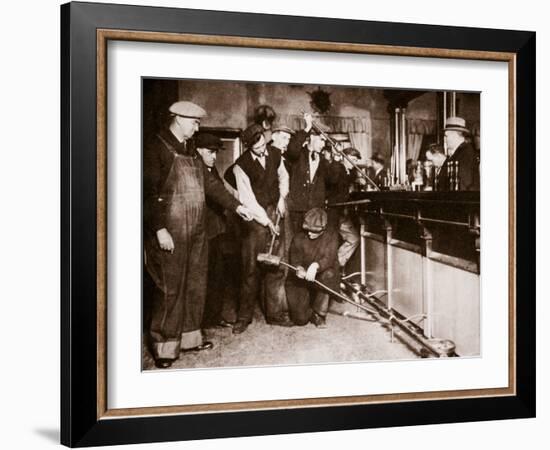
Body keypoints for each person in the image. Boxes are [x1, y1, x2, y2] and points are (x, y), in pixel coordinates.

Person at [143, 101, 252, 369]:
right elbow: (147, 193)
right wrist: (159, 229)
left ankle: (190, 339)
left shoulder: (191, 150)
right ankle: (164, 347)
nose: (198, 127)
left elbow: (212, 185)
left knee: (195, 285)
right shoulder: (156, 147)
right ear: (178, 118)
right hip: (171, 230)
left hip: (198, 231)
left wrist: (237, 206)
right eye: (194, 122)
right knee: (170, 289)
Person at [225, 124, 292, 334]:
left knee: (277, 265)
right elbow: (248, 200)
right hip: (255, 219)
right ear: (248, 146)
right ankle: (244, 317)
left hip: (276, 211)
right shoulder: (240, 166)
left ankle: (275, 314)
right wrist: (266, 221)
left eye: (263, 144)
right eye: (257, 148)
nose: (262, 150)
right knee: (250, 269)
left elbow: (284, 176)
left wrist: (282, 198)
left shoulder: (274, 153)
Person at [194, 133, 240, 329]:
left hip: (217, 230)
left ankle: (213, 317)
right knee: (203, 278)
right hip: (205, 232)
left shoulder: (210, 169)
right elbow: (216, 192)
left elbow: (223, 189)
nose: (214, 157)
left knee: (217, 276)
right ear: (198, 151)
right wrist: (238, 207)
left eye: (215, 153)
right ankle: (200, 322)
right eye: (210, 152)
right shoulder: (197, 169)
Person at [285, 208, 340, 328]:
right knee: (300, 319)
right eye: (307, 230)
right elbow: (294, 260)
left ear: (323, 229)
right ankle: (308, 306)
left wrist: (316, 266)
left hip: (320, 274)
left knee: (330, 274)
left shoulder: (331, 236)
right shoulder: (299, 238)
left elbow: (329, 258)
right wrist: (298, 268)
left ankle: (319, 314)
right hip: (301, 279)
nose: (309, 233)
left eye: (314, 231)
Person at [285, 113, 335, 234]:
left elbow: (332, 181)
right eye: (322, 140)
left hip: (315, 210)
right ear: (312, 137)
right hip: (297, 209)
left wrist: (336, 160)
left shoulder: (324, 160)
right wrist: (307, 128)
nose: (323, 145)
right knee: (296, 242)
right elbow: (292, 149)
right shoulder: (299, 154)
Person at [327, 147, 362, 271]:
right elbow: (333, 180)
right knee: (330, 243)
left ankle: (335, 265)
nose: (354, 163)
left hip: (342, 213)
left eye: (356, 160)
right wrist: (336, 161)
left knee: (353, 238)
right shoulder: (337, 168)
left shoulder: (350, 172)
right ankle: (329, 267)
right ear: (344, 157)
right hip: (332, 213)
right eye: (352, 159)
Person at [439, 116, 479, 191]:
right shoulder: (460, 153)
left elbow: (463, 185)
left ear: (455, 135)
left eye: (446, 136)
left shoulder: (466, 154)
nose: (444, 140)